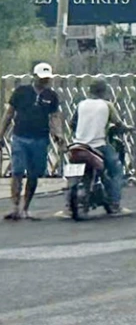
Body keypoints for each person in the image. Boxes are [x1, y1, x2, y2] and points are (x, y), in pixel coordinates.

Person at [5, 63, 64, 221]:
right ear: (34, 76)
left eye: (47, 78)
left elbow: (55, 117)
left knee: (34, 174)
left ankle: (25, 208)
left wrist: (58, 134)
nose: (44, 81)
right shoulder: (21, 92)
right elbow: (9, 113)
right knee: (17, 171)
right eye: (41, 78)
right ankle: (15, 207)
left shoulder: (51, 96)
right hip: (20, 137)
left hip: (40, 139)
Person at [72, 79, 126, 217]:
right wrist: (126, 128)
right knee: (116, 170)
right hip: (98, 146)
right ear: (104, 91)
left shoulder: (81, 104)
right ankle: (115, 203)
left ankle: (68, 205)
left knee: (74, 174)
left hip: (78, 145)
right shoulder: (107, 105)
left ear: (89, 90)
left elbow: (73, 123)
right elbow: (118, 124)